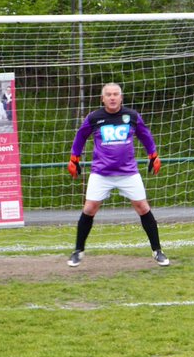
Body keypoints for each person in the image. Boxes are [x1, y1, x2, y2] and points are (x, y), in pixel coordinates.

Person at [65, 82, 168, 267]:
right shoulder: (94, 117)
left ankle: (157, 251)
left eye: (115, 94)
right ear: (102, 98)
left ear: (121, 97)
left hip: (128, 172)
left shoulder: (132, 116)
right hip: (101, 173)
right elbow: (81, 136)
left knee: (143, 207)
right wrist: (74, 158)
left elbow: (145, 135)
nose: (112, 97)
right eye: (109, 94)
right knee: (89, 209)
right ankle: (78, 251)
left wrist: (153, 154)